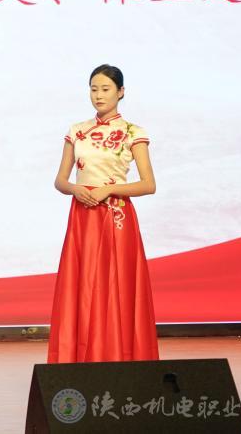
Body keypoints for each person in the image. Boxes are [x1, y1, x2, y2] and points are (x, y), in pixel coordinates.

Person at [48, 64, 158, 363]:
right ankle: (79, 358)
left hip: (116, 216)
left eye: (106, 89)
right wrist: (75, 189)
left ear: (121, 92)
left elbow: (148, 184)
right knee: (83, 287)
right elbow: (60, 181)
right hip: (83, 215)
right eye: (94, 89)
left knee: (115, 286)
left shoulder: (133, 132)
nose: (98, 95)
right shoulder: (77, 131)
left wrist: (109, 190)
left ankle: (118, 358)